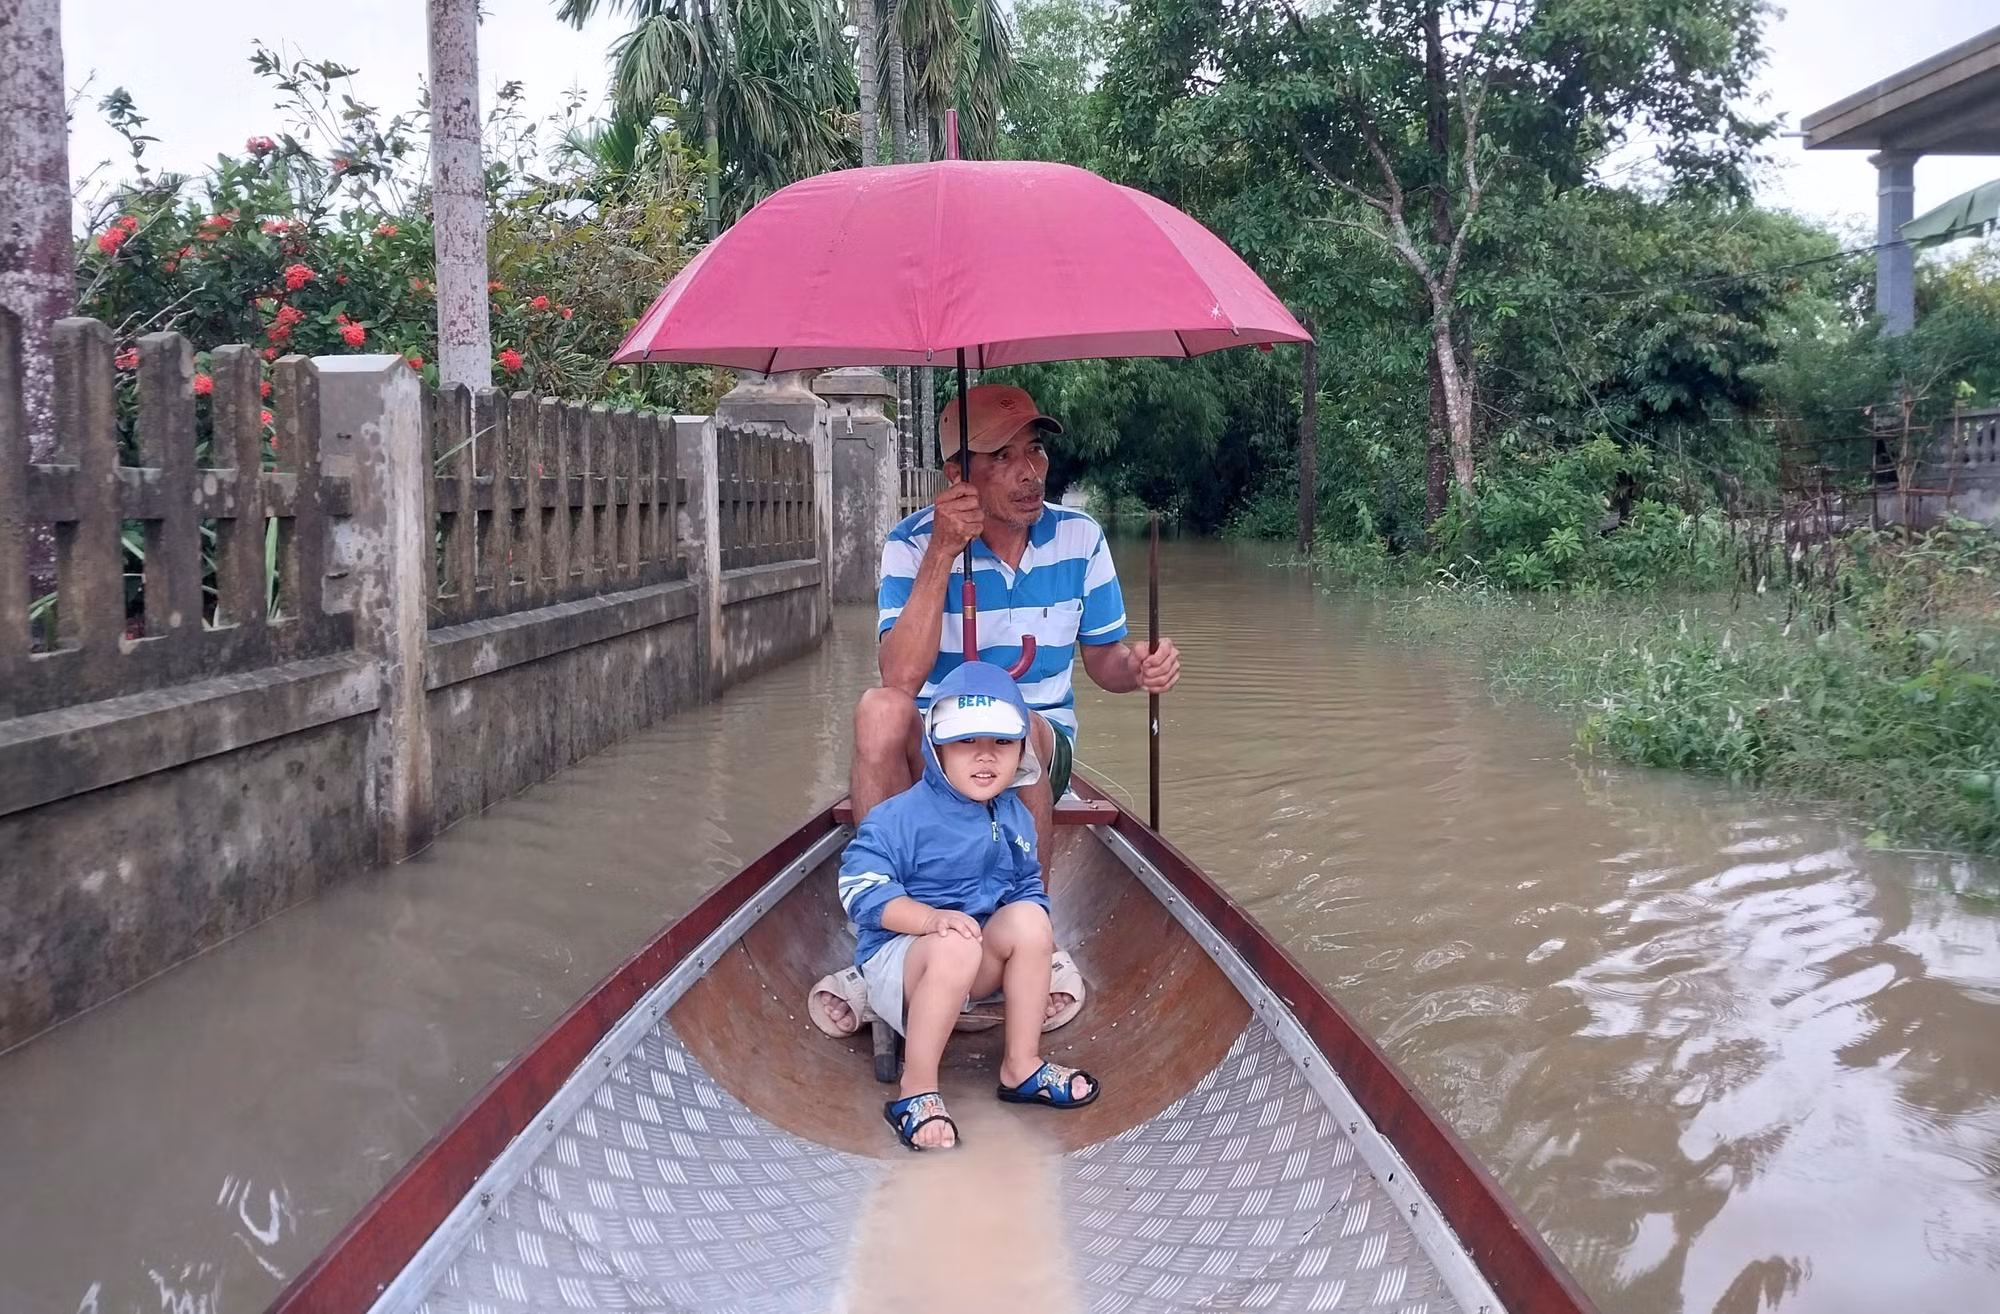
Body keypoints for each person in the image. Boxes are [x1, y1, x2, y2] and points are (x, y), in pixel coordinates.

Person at [812, 382, 1182, 1035]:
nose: (1029, 472)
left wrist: (1139, 666)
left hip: (1039, 741)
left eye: (1034, 451)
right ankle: (886, 950)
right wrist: (944, 553)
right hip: (933, 743)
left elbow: (1105, 662)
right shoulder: (911, 543)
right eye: (1003, 458)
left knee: (1025, 727)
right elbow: (899, 676)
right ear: (958, 474)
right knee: (877, 712)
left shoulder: (1080, 540)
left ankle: (1024, 935)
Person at [841, 661, 1100, 1151]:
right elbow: (860, 891)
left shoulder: (1013, 816)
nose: (985, 758)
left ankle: (1020, 1066)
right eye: (966, 742)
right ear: (935, 749)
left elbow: (1025, 887)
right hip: (901, 966)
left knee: (1031, 919)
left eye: (1002, 742)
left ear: (1023, 748)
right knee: (953, 944)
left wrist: (1026, 937)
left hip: (966, 957)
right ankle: (915, 1090)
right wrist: (929, 920)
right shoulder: (900, 817)